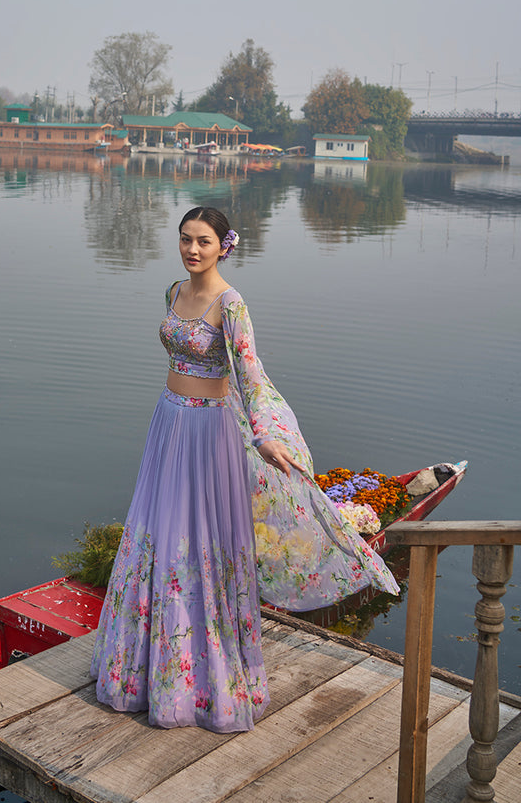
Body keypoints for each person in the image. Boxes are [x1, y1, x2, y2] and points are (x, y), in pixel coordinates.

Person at [90, 206, 399, 733]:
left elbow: (250, 373)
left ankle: (204, 682)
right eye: (185, 239)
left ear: (223, 246)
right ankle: (144, 672)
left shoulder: (232, 306)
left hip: (210, 433)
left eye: (203, 241)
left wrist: (266, 434)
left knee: (203, 544)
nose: (191, 250)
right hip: (168, 424)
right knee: (157, 538)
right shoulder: (173, 292)